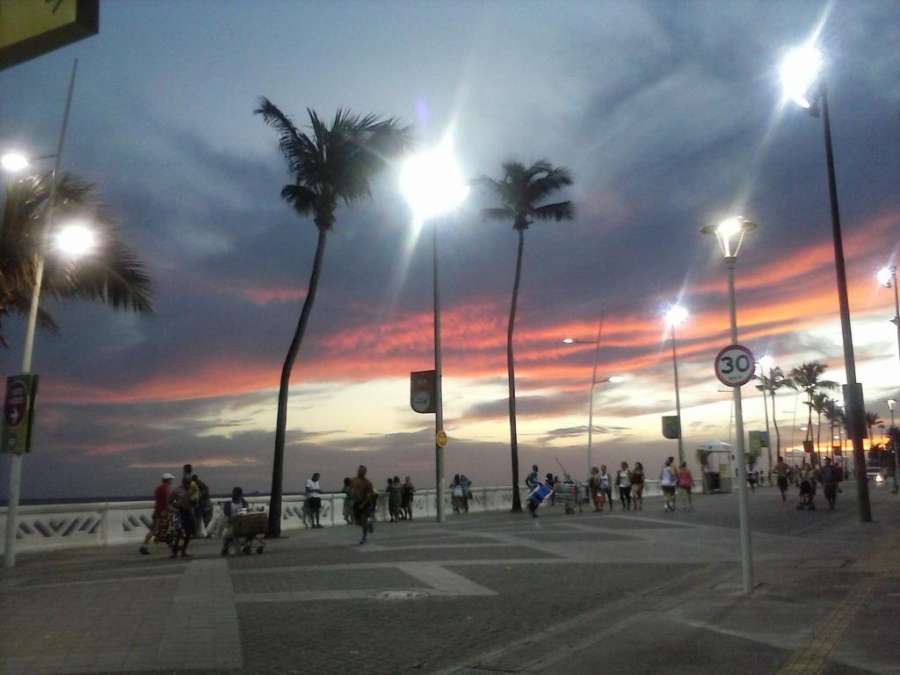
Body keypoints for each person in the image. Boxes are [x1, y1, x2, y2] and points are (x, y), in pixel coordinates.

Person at [140, 473, 174, 555]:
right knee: (155, 530)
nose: (171, 481)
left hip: (157, 512)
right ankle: (144, 546)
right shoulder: (166, 489)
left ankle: (172, 546)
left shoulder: (158, 488)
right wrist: (171, 509)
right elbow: (167, 502)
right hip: (162, 514)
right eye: (171, 480)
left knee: (163, 530)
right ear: (168, 480)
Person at [169, 475, 195, 558]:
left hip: (189, 512)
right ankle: (174, 552)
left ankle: (183, 551)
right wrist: (173, 509)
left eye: (189, 482)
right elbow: (169, 502)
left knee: (188, 533)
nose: (188, 484)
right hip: (179, 512)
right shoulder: (177, 490)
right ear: (183, 482)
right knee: (179, 532)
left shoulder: (192, 489)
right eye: (187, 482)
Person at [350, 465, 375, 545]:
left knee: (363, 520)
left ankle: (364, 538)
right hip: (356, 503)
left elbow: (370, 495)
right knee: (357, 522)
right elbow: (351, 490)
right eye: (359, 470)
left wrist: (363, 504)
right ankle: (369, 525)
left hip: (365, 503)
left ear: (365, 472)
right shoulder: (353, 480)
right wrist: (352, 498)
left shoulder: (367, 483)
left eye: (362, 471)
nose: (360, 472)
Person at [221, 487, 249, 556]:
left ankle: (227, 547)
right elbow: (228, 518)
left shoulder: (243, 504)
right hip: (235, 526)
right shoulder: (229, 505)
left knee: (227, 534)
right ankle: (229, 547)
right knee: (228, 533)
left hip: (239, 526)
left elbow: (243, 516)